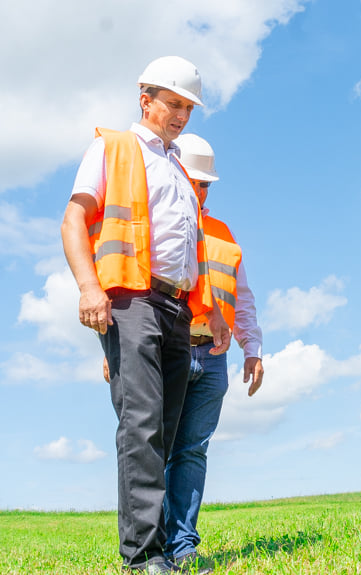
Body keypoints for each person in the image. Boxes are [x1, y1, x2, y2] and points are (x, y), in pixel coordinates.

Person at [61, 56, 231, 573]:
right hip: (129, 300)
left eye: (187, 107)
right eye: (173, 103)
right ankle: (143, 556)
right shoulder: (113, 147)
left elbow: (190, 249)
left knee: (169, 427)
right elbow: (74, 219)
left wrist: (214, 313)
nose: (181, 114)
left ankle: (166, 550)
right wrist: (89, 287)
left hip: (178, 307)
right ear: (146, 100)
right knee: (141, 424)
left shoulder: (180, 169)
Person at [163, 133, 264, 571]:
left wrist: (253, 348)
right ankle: (149, 548)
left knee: (192, 451)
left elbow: (241, 298)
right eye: (194, 180)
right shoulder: (159, 224)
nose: (200, 191)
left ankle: (183, 547)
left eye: (207, 185)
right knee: (156, 448)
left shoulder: (223, 233)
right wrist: (113, 350)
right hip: (167, 348)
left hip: (214, 357)